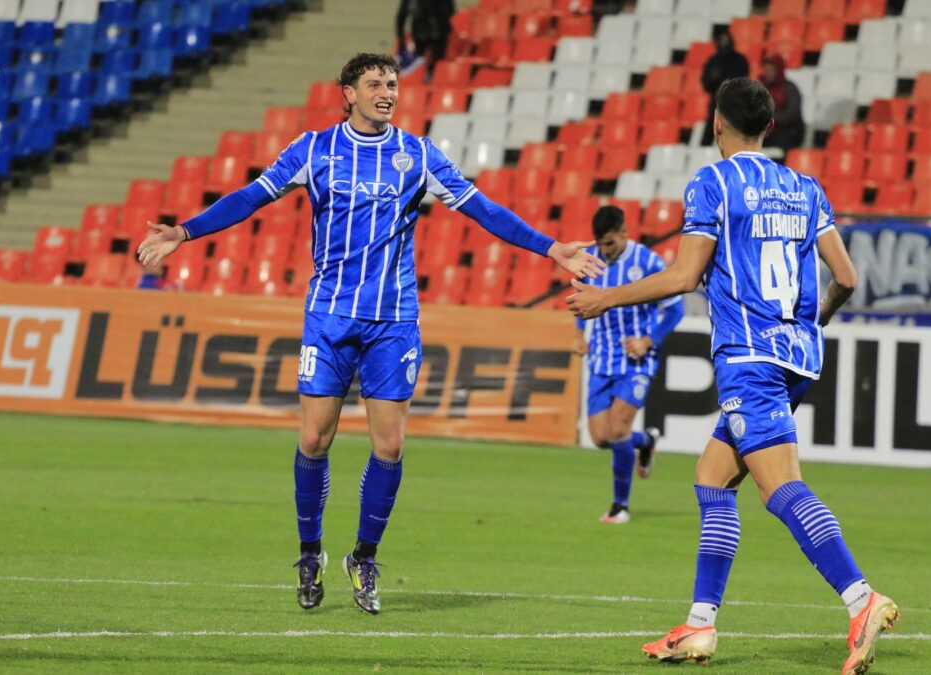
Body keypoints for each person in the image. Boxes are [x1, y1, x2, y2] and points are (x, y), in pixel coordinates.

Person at [137, 53, 604, 616]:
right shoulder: (313, 149)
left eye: (393, 84)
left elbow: (484, 210)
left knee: (390, 445)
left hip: (394, 322)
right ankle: (310, 553)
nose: (387, 92)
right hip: (330, 317)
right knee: (314, 440)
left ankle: (364, 556)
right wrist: (185, 232)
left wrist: (550, 248)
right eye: (375, 84)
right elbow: (251, 197)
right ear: (348, 93)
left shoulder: (418, 156)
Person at [566, 78, 899, 675]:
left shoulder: (713, 183)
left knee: (780, 489)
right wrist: (809, 324)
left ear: (716, 123)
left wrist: (606, 299)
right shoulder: (804, 187)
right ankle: (698, 626)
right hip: (797, 357)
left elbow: (684, 276)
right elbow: (845, 276)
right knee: (713, 479)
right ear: (768, 127)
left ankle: (860, 598)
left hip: (749, 358)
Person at [572, 205, 683, 524]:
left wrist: (648, 341)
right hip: (601, 359)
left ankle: (620, 505)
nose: (604, 251)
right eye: (600, 244)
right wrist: (580, 335)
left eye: (609, 244)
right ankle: (646, 442)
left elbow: (674, 310)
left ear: (624, 233)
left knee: (618, 429)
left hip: (636, 359)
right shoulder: (592, 260)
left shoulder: (647, 262)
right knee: (600, 437)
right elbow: (579, 299)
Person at [700, 27, 749, 146]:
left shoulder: (740, 60)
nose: (724, 42)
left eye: (726, 39)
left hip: (736, 106)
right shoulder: (713, 61)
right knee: (707, 141)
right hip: (717, 106)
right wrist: (712, 79)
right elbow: (706, 84)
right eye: (721, 39)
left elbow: (742, 81)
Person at [395, 0, 455, 81]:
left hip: (422, 32)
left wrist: (401, 38)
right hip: (437, 32)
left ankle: (423, 78)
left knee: (420, 61)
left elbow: (401, 15)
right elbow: (450, 12)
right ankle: (431, 77)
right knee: (436, 62)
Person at [760, 55, 805, 152]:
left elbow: (791, 115)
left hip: (787, 132)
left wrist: (770, 119)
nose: (768, 73)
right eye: (766, 69)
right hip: (767, 132)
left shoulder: (789, 89)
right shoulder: (761, 88)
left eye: (771, 70)